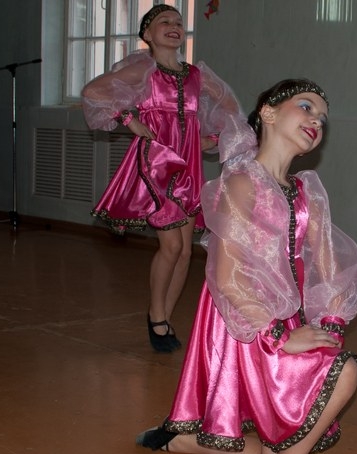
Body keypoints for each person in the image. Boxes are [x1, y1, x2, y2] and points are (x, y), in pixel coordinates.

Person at [135, 79, 357, 454]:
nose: (316, 121)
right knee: (346, 373)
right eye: (306, 107)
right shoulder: (242, 183)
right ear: (268, 112)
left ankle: (184, 440)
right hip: (242, 324)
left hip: (282, 320)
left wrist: (332, 320)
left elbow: (330, 267)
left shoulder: (307, 192)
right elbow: (227, 276)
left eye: (322, 118)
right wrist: (278, 335)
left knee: (273, 448)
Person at [81, 4, 240, 353]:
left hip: (189, 165)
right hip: (157, 163)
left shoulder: (196, 74)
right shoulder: (143, 69)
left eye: (179, 22)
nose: (173, 25)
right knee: (170, 246)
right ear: (147, 34)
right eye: (164, 21)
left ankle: (165, 317)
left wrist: (211, 138)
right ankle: (156, 315)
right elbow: (94, 92)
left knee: (184, 250)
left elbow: (230, 109)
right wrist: (129, 120)